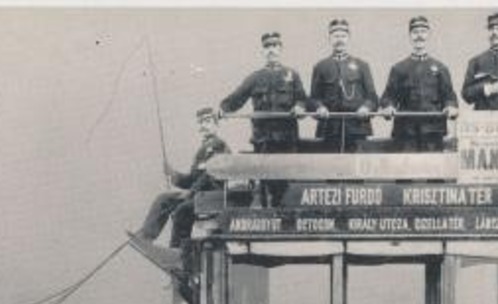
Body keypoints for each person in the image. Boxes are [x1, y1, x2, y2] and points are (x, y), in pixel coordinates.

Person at [220, 32, 309, 206]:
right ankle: (270, 220)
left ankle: (287, 221)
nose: (271, 51)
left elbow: (303, 99)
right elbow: (236, 98)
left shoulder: (292, 75)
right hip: (263, 139)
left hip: (286, 139)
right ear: (263, 51)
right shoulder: (255, 78)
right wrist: (223, 109)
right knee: (266, 183)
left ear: (281, 49)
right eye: (267, 47)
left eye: (275, 46)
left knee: (287, 183)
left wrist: (299, 107)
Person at [130, 107, 229, 259]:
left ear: (216, 124)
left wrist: (191, 193)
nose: (203, 125)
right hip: (201, 194)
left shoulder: (217, 146)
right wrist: (174, 175)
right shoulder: (203, 149)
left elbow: (209, 175)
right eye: (200, 122)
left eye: (208, 121)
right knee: (164, 199)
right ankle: (147, 236)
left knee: (182, 210)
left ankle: (177, 252)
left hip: (214, 195)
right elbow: (193, 179)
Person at [380, 15, 460, 152]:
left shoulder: (440, 68)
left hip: (433, 130)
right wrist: (388, 106)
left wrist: (450, 106)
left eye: (423, 32)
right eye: (415, 32)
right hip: (406, 131)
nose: (419, 36)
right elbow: (388, 96)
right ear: (410, 36)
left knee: (433, 171)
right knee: (407, 171)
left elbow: (449, 96)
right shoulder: (399, 68)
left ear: (428, 35)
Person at [310, 19, 379, 153]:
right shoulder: (321, 66)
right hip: (329, 128)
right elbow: (312, 98)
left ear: (348, 38)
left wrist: (366, 107)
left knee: (356, 170)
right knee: (329, 170)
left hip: (357, 128)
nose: (339, 40)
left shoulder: (362, 65)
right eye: (336, 36)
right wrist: (319, 107)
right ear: (329, 38)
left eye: (343, 36)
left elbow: (373, 97)